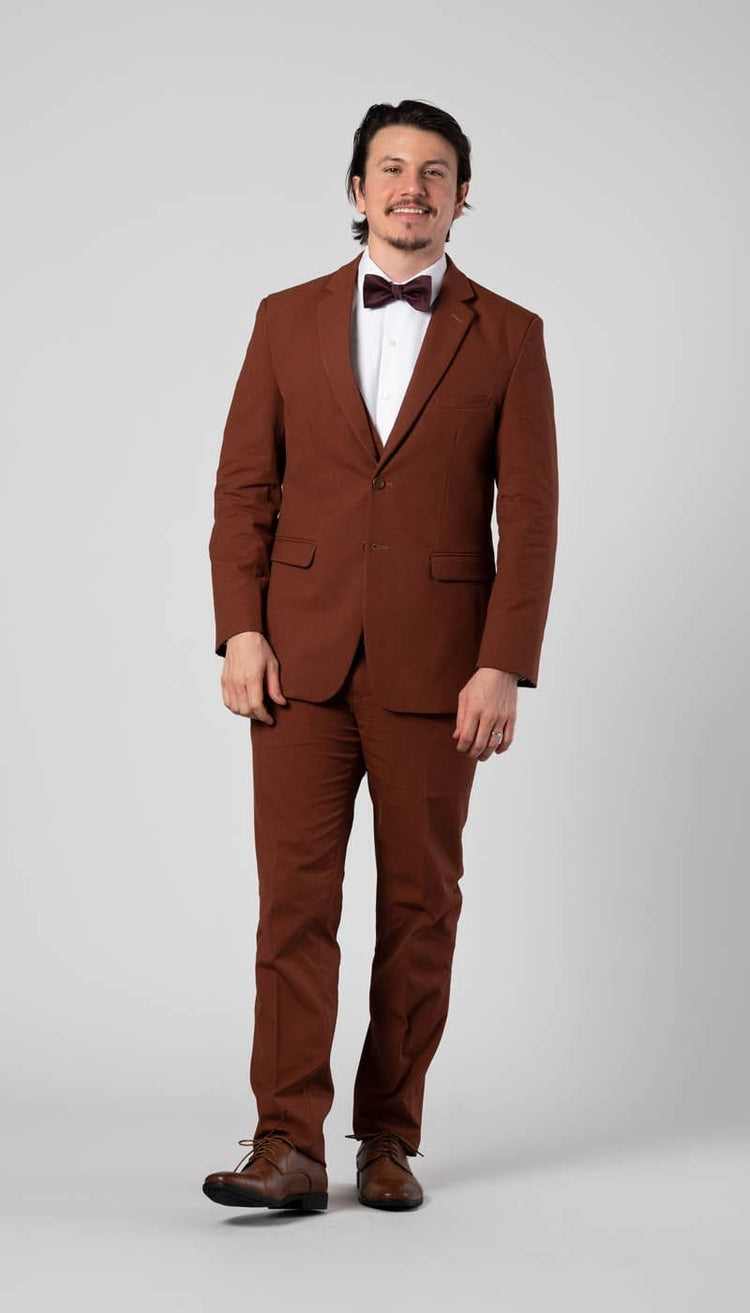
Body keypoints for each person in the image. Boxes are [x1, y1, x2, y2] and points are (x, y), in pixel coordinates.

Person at [202, 98, 559, 1213]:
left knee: (420, 907)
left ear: (462, 195)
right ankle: (286, 1144)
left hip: (441, 667)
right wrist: (240, 626)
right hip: (295, 660)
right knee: (293, 906)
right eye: (392, 169)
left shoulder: (510, 334)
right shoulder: (284, 317)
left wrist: (503, 661)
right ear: (358, 190)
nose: (413, 187)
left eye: (435, 171)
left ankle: (390, 1136)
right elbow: (244, 488)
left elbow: (529, 517)